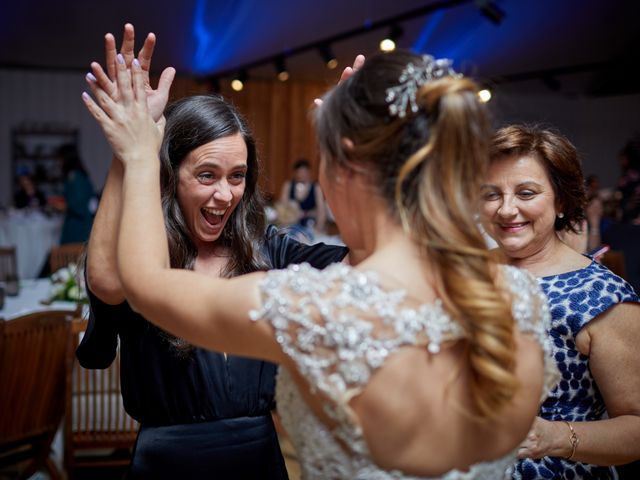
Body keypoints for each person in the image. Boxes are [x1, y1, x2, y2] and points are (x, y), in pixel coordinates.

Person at [83, 49, 558, 479]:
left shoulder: (315, 306)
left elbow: (143, 282)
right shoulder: (518, 302)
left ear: (343, 162)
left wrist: (140, 150)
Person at [78, 25, 352, 479]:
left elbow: (366, 268)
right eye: (207, 175)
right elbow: (107, 283)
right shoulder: (145, 255)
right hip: (167, 464)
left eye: (237, 176)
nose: (225, 194)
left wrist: (357, 165)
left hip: (260, 460)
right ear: (171, 175)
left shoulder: (270, 250)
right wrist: (130, 148)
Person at [480, 124, 640, 479]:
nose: (507, 210)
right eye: (492, 194)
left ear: (562, 201)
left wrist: (554, 437)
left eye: (526, 193)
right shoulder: (463, 274)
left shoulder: (602, 296)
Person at [57, 143, 97, 244]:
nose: (59, 162)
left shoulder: (75, 177)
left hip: (78, 225)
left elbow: (79, 204)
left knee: (72, 255)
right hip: (78, 221)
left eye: (60, 159)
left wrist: (63, 206)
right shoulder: (77, 175)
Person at [278, 158, 327, 234]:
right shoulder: (288, 185)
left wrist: (319, 227)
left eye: (304, 172)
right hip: (291, 223)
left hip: (310, 224)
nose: (302, 175)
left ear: (309, 172)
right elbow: (282, 207)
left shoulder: (316, 187)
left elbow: (321, 209)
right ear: (295, 173)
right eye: (300, 172)